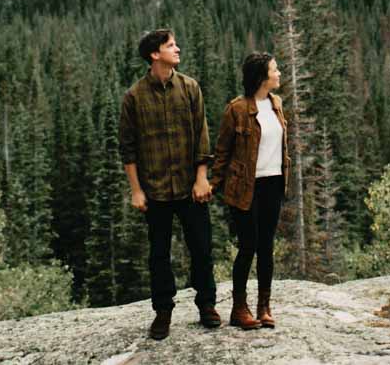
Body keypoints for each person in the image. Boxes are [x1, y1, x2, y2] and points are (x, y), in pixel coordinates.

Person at [119, 28, 221, 340]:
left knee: (202, 249)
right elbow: (128, 148)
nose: (177, 49)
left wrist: (202, 177)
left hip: (191, 188)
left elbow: (202, 136)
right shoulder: (134, 97)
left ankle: (207, 305)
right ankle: (163, 313)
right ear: (154, 54)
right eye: (170, 45)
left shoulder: (190, 88)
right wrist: (136, 190)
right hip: (156, 190)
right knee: (159, 255)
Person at [211, 52, 288, 330]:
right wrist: (213, 184)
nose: (279, 73)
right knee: (248, 246)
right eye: (275, 69)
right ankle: (238, 308)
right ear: (261, 77)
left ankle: (264, 306)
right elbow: (222, 152)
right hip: (245, 187)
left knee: (266, 247)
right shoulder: (237, 109)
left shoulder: (276, 104)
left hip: (273, 183)